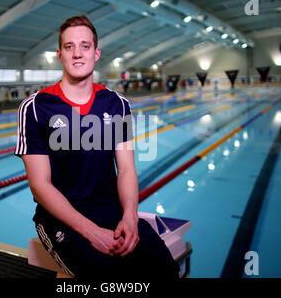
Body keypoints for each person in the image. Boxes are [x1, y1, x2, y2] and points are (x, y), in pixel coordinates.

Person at [15, 15, 179, 279]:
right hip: (60, 220)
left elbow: (126, 170)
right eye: (69, 47)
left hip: (111, 210)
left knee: (166, 270)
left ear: (96, 53)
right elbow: (40, 185)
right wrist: (92, 232)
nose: (77, 54)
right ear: (59, 54)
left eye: (85, 46)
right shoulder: (35, 107)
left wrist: (130, 217)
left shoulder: (117, 104)